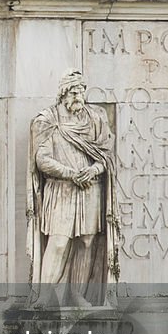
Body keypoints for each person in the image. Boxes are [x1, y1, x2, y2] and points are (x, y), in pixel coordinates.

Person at [28, 69, 118, 307]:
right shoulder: (47, 120)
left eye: (81, 91)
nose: (79, 96)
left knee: (87, 241)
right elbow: (41, 159)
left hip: (90, 188)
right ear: (64, 94)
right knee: (58, 242)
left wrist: (95, 169)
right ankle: (45, 296)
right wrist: (70, 173)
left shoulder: (96, 118)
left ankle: (78, 294)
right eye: (74, 92)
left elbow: (107, 153)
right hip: (61, 190)